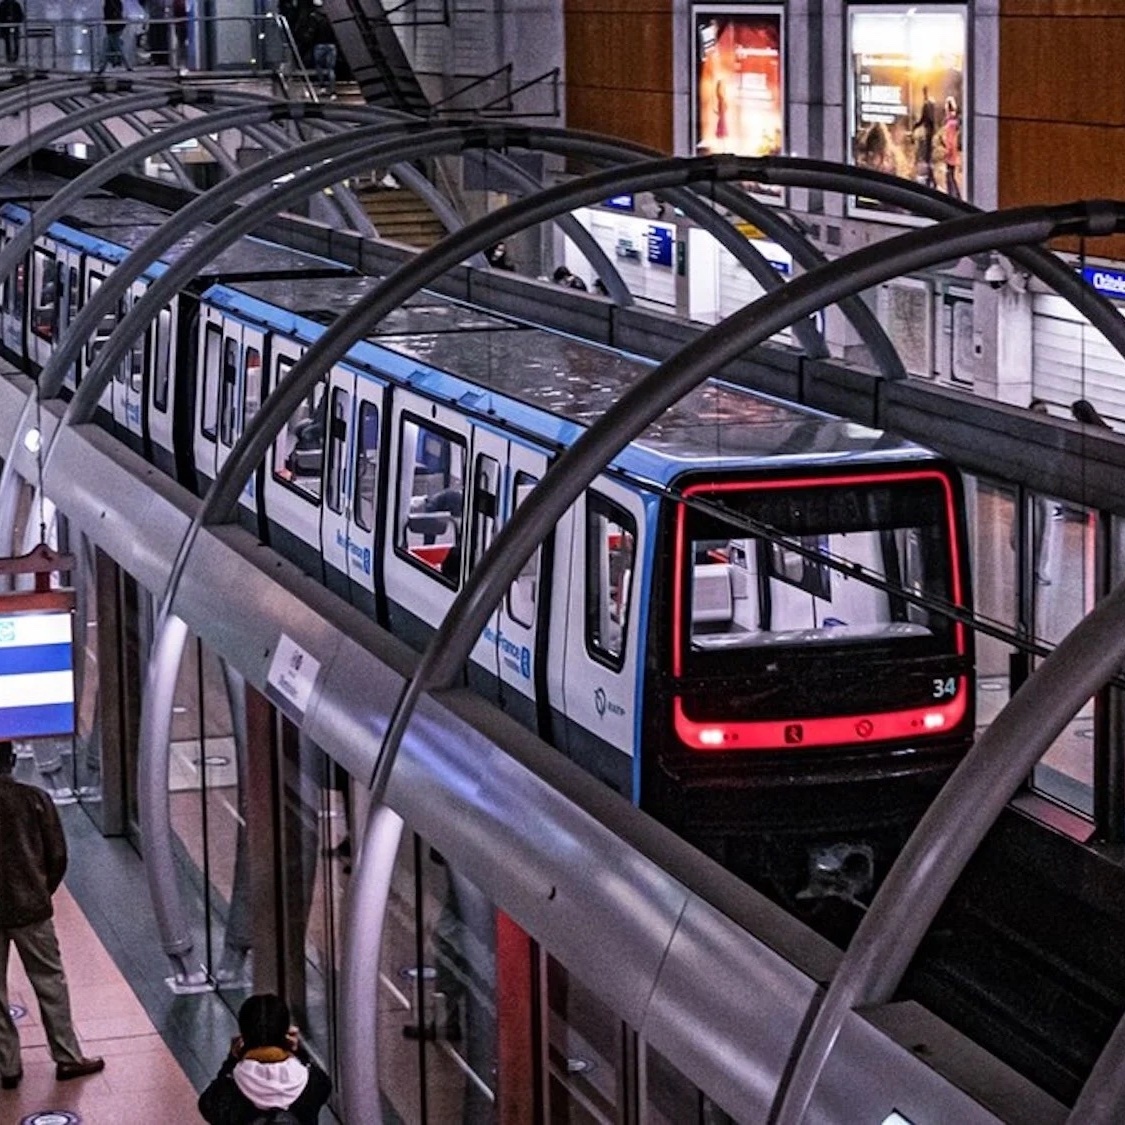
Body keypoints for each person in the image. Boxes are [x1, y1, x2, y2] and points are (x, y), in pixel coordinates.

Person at [0, 740, 105, 1089]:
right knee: (49, 982)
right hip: (31, 906)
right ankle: (67, 1056)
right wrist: (41, 889)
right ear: (12, 761)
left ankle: (8, 1064)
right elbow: (57, 855)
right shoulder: (35, 799)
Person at [198, 993, 332, 1124]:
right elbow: (325, 1087)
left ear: (243, 1036)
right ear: (286, 1035)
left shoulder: (231, 1086)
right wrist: (300, 1053)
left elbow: (208, 1107)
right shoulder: (310, 1080)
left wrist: (231, 1061)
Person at [307, 0, 336, 98]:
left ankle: (322, 87)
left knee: (319, 66)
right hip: (331, 45)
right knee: (330, 69)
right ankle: (332, 91)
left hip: (319, 44)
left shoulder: (314, 16)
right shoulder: (330, 16)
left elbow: (312, 32)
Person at [912, 85, 936, 187]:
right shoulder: (931, 103)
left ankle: (931, 180)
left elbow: (923, 118)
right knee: (928, 156)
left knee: (927, 156)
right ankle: (931, 179)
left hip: (928, 131)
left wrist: (915, 126)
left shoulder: (926, 104)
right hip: (931, 130)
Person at [100, 0, 132, 72]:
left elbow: (108, 15)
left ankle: (127, 65)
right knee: (110, 47)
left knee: (115, 47)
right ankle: (102, 67)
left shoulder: (109, 3)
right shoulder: (117, 2)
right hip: (116, 26)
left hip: (112, 28)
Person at [941, 95, 961, 199]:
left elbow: (950, 140)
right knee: (950, 175)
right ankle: (955, 195)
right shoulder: (954, 122)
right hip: (953, 152)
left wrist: (947, 151)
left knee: (950, 176)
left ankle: (954, 196)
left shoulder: (950, 124)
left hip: (950, 153)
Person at [0, 0, 22, 66]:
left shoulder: (3, 4)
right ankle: (12, 57)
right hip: (7, 28)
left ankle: (11, 57)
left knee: (10, 42)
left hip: (9, 27)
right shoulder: (15, 4)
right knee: (10, 41)